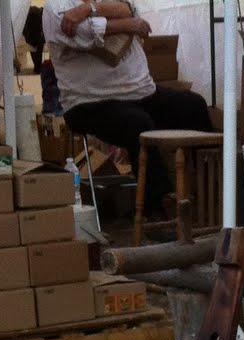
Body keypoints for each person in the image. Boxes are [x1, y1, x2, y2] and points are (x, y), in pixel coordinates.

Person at [42, 0, 212, 217]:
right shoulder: (55, 7)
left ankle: (211, 188)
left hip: (141, 93)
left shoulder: (90, 5)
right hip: (88, 103)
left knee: (193, 105)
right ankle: (157, 206)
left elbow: (129, 8)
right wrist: (128, 24)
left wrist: (89, 9)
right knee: (138, 124)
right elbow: (85, 33)